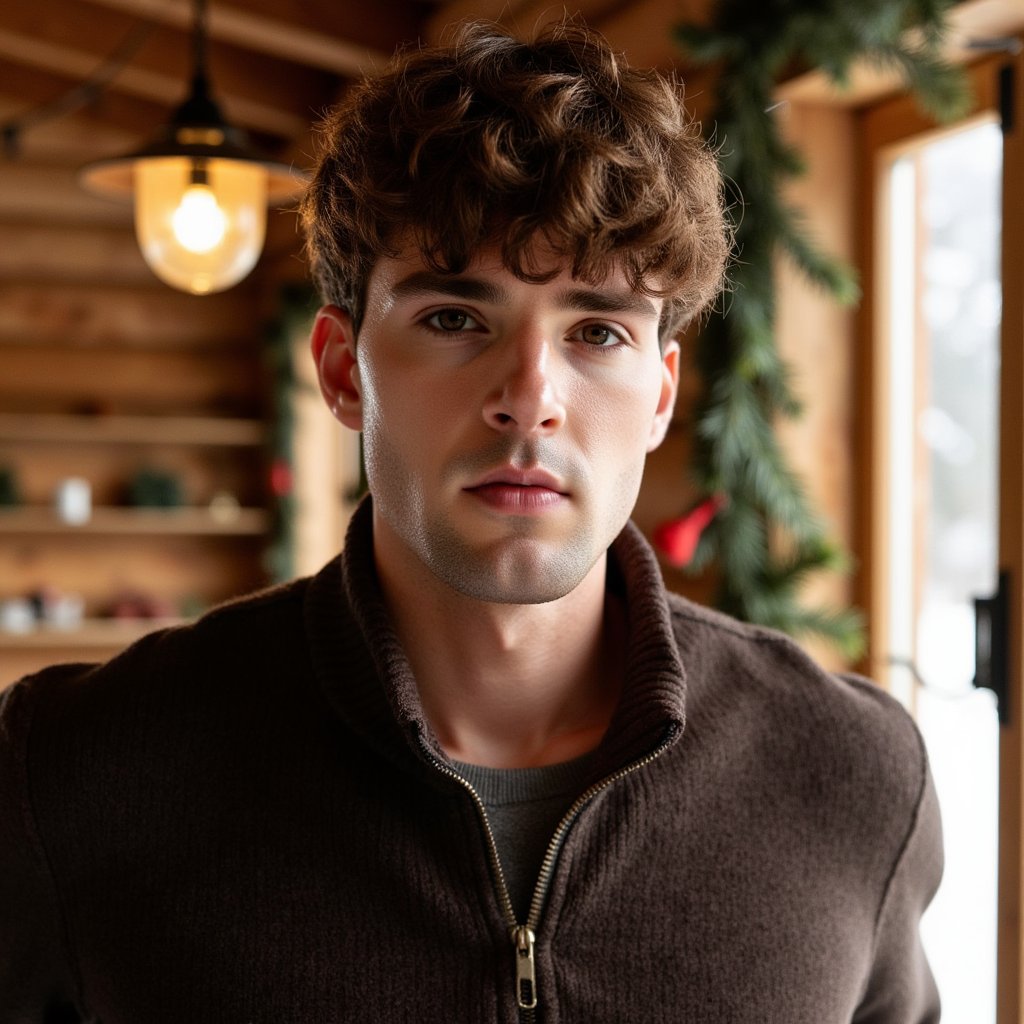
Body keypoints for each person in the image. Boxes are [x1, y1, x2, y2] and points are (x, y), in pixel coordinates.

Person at [0, 20, 941, 1024]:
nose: (529, 397)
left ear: (661, 394)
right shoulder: (74, 772)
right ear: (339, 368)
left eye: (595, 331)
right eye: (455, 318)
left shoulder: (849, 773)